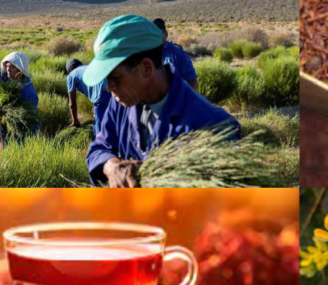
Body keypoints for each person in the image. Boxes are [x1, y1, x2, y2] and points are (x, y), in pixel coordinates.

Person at [84, 15, 241, 188]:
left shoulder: (213, 126)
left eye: (115, 77)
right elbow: (98, 148)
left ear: (146, 68)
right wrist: (111, 166)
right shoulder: (121, 101)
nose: (108, 87)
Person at [0, 52, 39, 135]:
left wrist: (6, 110)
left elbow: (27, 118)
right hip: (3, 126)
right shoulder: (4, 76)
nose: (8, 70)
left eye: (13, 67)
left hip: (21, 130)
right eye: (7, 66)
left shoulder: (28, 91)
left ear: (20, 70)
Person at [65, 58, 111, 136]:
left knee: (99, 129)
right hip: (115, 91)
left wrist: (75, 120)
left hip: (103, 95)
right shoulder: (90, 67)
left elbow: (72, 103)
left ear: (70, 70)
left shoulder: (71, 76)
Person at [153, 18, 198, 91]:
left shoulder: (177, 53)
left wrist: (181, 99)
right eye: (152, 33)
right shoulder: (148, 55)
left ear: (166, 34)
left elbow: (193, 82)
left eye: (158, 32)